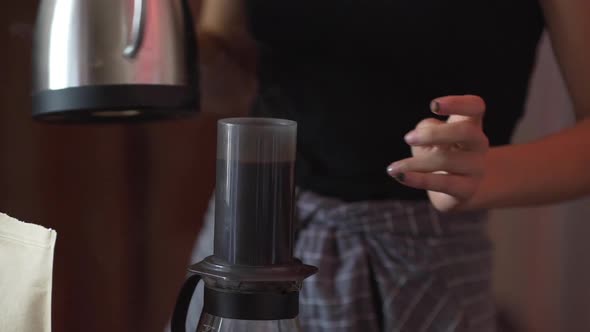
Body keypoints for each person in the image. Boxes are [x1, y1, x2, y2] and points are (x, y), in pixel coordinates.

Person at [186, 0, 590, 331]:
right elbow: (228, 73)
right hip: (249, 233)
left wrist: (488, 172)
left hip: (425, 267)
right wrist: (167, 46)